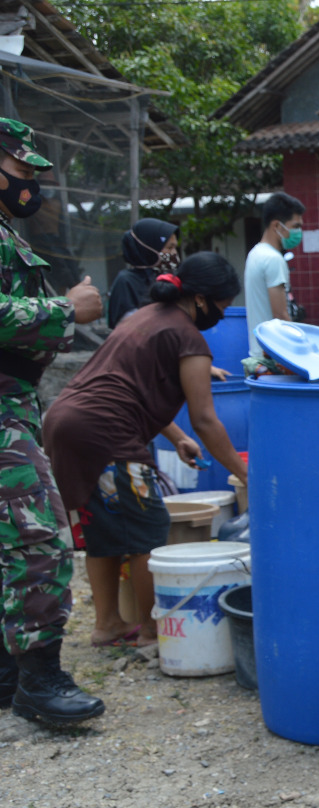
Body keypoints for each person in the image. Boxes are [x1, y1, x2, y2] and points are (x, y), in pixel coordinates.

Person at [44, 252, 249, 649]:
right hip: (104, 432)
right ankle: (153, 630)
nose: (223, 315)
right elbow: (205, 419)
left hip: (67, 423)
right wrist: (245, 475)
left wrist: (175, 437)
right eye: (222, 305)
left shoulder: (147, 315)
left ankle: (108, 624)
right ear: (202, 299)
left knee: (102, 531)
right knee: (147, 531)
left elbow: (134, 389)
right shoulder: (189, 336)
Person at [0, 117, 107, 725]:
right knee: (35, 533)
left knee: (8, 537)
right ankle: (40, 680)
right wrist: (64, 308)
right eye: (22, 171)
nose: (31, 186)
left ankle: (10, 672)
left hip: (13, 397)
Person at [245, 192, 303, 361]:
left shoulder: (255, 253)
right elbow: (281, 315)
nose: (298, 232)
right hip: (273, 356)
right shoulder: (273, 259)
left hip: (258, 352)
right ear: (277, 226)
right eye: (295, 226)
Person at [107, 218, 179, 328]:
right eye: (169, 248)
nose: (174, 253)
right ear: (149, 248)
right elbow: (130, 328)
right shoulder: (126, 281)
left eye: (175, 248)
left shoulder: (170, 278)